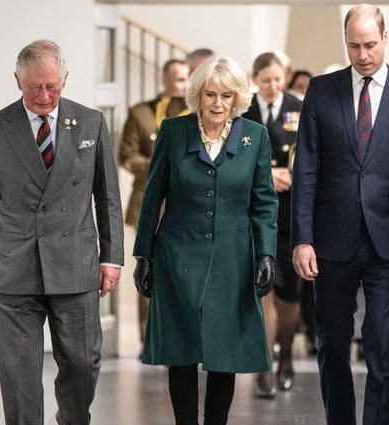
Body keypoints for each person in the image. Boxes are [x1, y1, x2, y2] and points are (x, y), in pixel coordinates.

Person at [0, 39, 124, 425]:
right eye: (35, 87)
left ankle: (71, 419)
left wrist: (111, 258)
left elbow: (108, 196)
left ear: (64, 80)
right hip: (15, 271)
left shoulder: (92, 122)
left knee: (83, 365)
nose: (45, 95)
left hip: (76, 266)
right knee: (18, 376)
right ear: (18, 82)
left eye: (53, 85)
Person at [291, 5, 389, 424]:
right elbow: (307, 168)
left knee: (384, 342)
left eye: (370, 44)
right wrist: (302, 238)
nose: (363, 54)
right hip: (332, 239)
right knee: (332, 342)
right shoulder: (321, 90)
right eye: (354, 45)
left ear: (386, 38)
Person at [132, 56, 278, 425]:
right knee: (181, 351)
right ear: (197, 95)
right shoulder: (173, 131)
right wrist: (143, 255)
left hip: (232, 259)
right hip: (177, 256)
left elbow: (264, 202)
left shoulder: (254, 137)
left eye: (226, 96)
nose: (217, 104)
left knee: (223, 352)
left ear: (237, 98)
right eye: (210, 95)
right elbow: (153, 197)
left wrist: (266, 255)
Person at [242, 52, 303, 398]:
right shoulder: (243, 109)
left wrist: (291, 176)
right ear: (255, 78)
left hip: (291, 213)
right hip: (254, 213)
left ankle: (287, 358)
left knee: (289, 293)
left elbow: (311, 157)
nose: (272, 86)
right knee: (259, 289)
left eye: (278, 79)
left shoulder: (299, 107)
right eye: (266, 80)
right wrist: (266, 175)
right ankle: (263, 365)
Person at [119, 58, 189, 347]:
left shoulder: (198, 111)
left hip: (185, 201)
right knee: (148, 267)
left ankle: (182, 336)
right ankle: (149, 338)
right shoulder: (140, 112)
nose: (180, 84)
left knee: (184, 272)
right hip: (147, 198)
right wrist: (162, 166)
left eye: (185, 79)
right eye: (175, 78)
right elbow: (127, 155)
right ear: (164, 78)